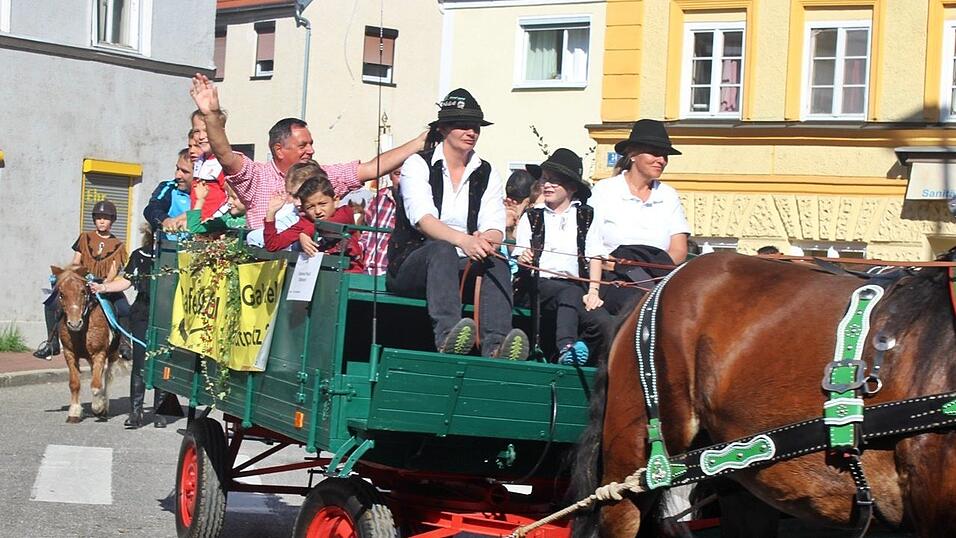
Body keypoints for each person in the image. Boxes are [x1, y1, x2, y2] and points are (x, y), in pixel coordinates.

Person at [386, 88, 529, 360]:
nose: (471, 132)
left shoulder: (487, 172)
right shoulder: (417, 165)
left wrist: (487, 240)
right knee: (442, 249)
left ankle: (497, 347)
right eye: (462, 126)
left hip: (464, 261)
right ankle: (448, 336)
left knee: (496, 259)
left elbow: (495, 223)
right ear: (443, 129)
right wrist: (464, 240)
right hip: (412, 263)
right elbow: (423, 219)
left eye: (475, 127)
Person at [189, 73, 426, 230]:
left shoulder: (321, 176)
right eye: (303, 145)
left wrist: (418, 142)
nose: (311, 150)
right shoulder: (257, 177)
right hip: (265, 276)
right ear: (279, 150)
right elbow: (226, 156)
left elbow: (371, 168)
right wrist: (211, 116)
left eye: (311, 143)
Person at [584, 119, 690, 315]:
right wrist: (623, 268)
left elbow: (679, 250)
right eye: (655, 153)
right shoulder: (605, 191)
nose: (662, 160)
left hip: (658, 280)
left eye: (665, 155)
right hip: (612, 279)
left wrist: (648, 269)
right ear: (632, 154)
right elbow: (592, 245)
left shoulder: (668, 195)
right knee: (637, 303)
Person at [89, 224, 177, 428]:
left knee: (162, 360)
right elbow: (126, 281)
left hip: (167, 315)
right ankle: (136, 413)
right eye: (158, 234)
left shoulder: (176, 256)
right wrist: (103, 287)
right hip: (143, 312)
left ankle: (159, 412)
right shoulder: (140, 255)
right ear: (152, 235)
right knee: (140, 360)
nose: (161, 237)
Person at [513, 149, 593, 365]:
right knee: (569, 291)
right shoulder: (533, 216)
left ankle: (592, 354)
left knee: (603, 320)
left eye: (554, 181)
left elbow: (595, 255)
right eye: (545, 180)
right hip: (537, 287)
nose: (546, 185)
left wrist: (593, 290)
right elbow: (520, 254)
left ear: (572, 187)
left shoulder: (586, 216)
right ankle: (566, 348)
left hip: (578, 289)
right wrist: (524, 258)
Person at [35, 200, 131, 359]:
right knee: (51, 303)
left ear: (112, 220)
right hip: (82, 280)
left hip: (103, 283)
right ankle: (52, 344)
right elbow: (75, 262)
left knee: (124, 309)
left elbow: (114, 270)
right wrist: (74, 278)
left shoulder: (118, 245)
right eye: (99, 217)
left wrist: (104, 285)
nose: (102, 221)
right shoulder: (84, 237)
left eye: (106, 218)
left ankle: (124, 344)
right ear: (94, 219)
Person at [263, 175, 364, 272]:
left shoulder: (345, 213)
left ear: (335, 200)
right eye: (310, 207)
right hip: (318, 276)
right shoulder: (305, 222)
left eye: (322, 204)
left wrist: (305, 233)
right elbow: (273, 245)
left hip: (350, 276)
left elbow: (330, 225)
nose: (317, 211)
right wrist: (270, 214)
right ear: (303, 209)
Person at [246, 160, 324, 248]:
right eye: (292, 195)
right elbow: (268, 241)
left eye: (301, 196)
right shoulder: (296, 217)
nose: (297, 202)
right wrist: (271, 213)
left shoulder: (334, 215)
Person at [359, 168, 401, 276]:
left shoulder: (419, 205)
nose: (402, 180)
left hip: (390, 274)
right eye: (397, 174)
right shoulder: (381, 196)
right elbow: (366, 232)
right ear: (390, 176)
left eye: (407, 175)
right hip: (365, 269)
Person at [190, 109, 230, 220]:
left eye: (207, 130)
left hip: (213, 227)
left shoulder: (224, 162)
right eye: (196, 131)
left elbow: (232, 198)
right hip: (197, 225)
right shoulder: (199, 160)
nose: (201, 136)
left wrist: (214, 218)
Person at [143, 149, 193, 236]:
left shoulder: (212, 193)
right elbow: (151, 209)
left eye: (185, 172)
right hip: (168, 248)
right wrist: (165, 220)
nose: (177, 175)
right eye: (177, 169)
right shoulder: (169, 188)